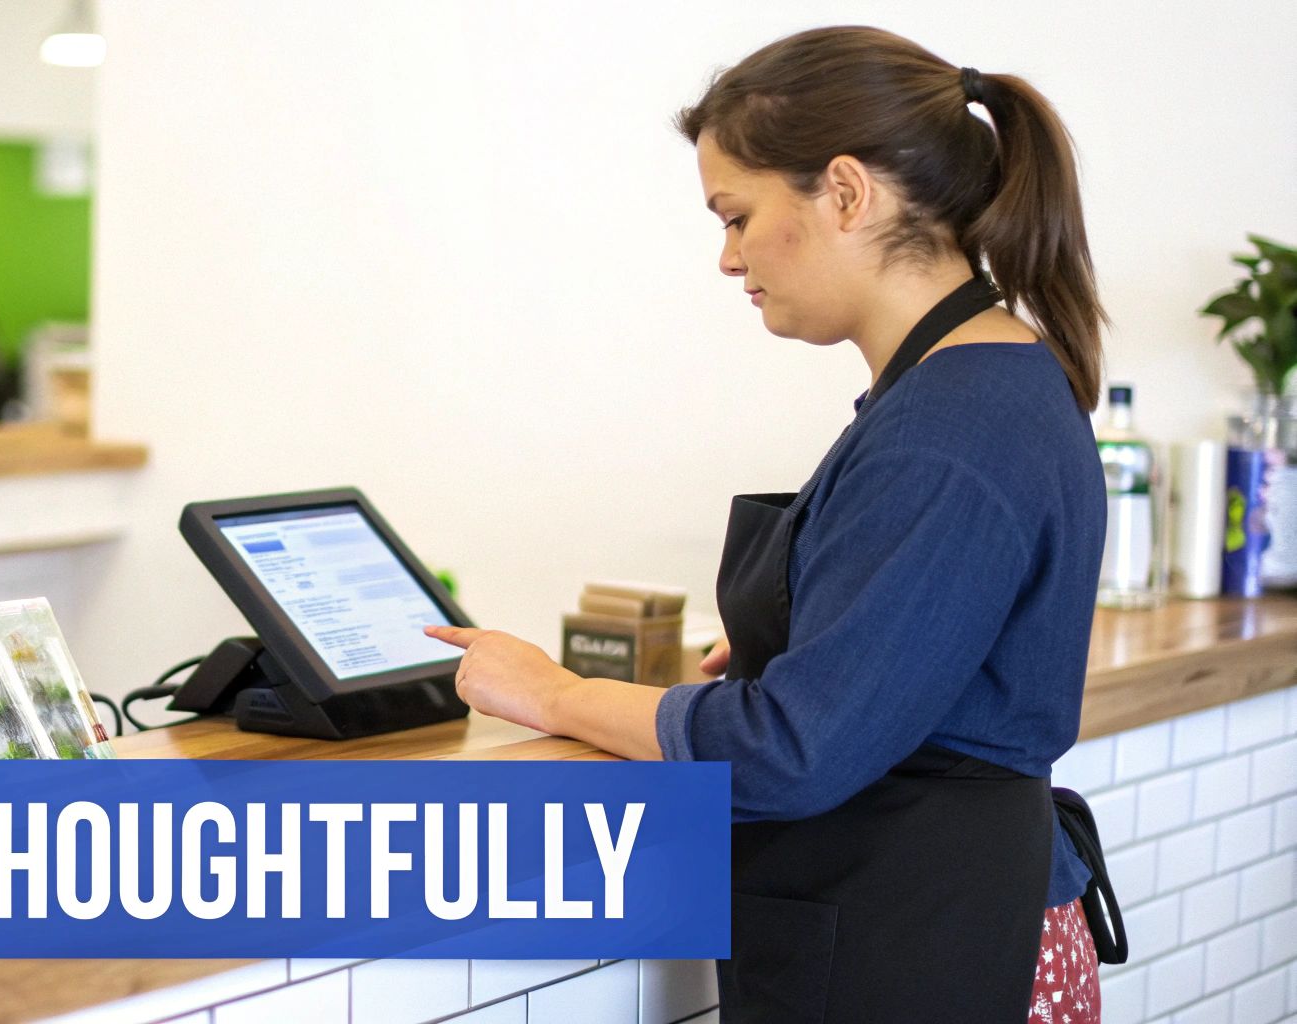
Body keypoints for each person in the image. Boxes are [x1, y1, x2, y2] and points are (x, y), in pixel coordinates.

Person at [428, 26, 1111, 1023]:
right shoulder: (985, 381)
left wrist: (555, 692)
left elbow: (792, 750)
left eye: (737, 216)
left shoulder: (951, 429)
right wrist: (805, 631)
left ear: (846, 192)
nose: (727, 258)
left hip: (929, 942)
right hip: (940, 923)